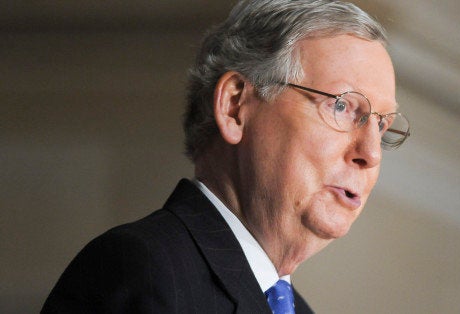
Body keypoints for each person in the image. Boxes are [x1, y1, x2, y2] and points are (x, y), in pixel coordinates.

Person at [41, 0, 410, 313]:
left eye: (381, 126)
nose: (371, 153)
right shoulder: (144, 269)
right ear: (236, 106)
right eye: (343, 106)